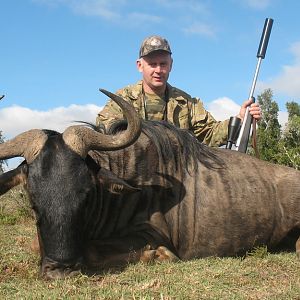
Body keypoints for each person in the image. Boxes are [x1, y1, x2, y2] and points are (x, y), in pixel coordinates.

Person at [96, 35, 261, 147]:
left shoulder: (186, 102)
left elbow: (209, 134)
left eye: (163, 64)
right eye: (152, 64)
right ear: (140, 66)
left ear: (171, 65)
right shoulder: (122, 99)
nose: (158, 70)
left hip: (178, 178)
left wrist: (240, 118)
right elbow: (105, 130)